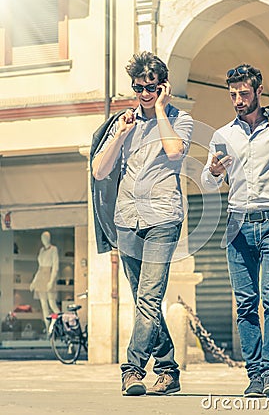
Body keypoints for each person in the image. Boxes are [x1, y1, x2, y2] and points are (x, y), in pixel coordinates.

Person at [201, 64, 269, 397]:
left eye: (244, 94)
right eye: (233, 94)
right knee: (246, 303)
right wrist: (213, 171)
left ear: (258, 92)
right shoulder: (222, 135)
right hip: (237, 225)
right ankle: (254, 375)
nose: (238, 100)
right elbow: (208, 183)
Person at [92, 51, 193, 396]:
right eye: (139, 88)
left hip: (163, 218)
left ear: (162, 87)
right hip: (127, 219)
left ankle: (132, 369)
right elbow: (99, 170)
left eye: (152, 88)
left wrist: (161, 111)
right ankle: (168, 369)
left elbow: (175, 151)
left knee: (148, 298)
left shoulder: (180, 119)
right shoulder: (125, 123)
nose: (145, 94)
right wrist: (120, 134)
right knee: (142, 300)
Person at [30, 231, 60, 332]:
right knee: (44, 306)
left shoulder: (53, 249)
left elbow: (55, 266)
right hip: (41, 277)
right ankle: (48, 329)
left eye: (46, 237)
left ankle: (61, 325)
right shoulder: (42, 251)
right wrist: (34, 282)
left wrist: (51, 281)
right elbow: (39, 268)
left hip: (49, 275)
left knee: (52, 304)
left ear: (49, 238)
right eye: (42, 237)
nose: (44, 239)